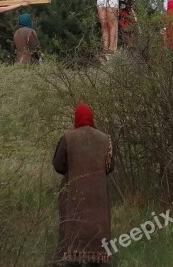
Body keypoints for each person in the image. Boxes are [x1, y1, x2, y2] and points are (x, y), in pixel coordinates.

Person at [52, 104, 115, 266]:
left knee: (72, 225)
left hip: (74, 196)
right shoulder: (105, 138)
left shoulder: (68, 137)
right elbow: (110, 167)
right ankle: (99, 257)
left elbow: (58, 165)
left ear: (76, 118)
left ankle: (72, 257)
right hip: (98, 197)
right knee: (98, 228)